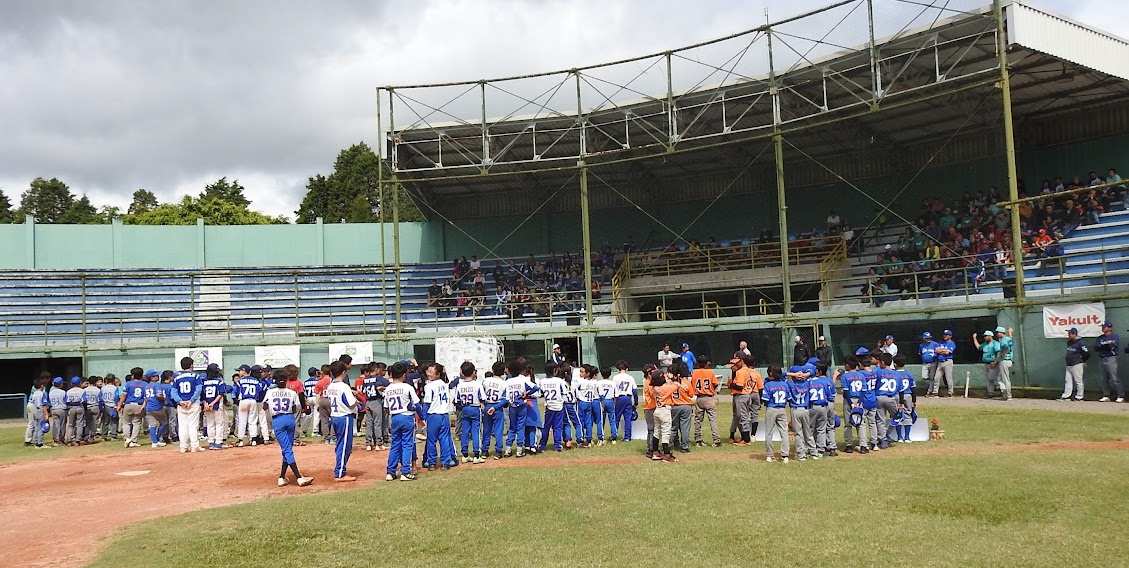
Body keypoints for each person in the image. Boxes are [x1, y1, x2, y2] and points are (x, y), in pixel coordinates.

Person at [263, 369, 313, 487]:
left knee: (287, 450)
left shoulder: (270, 392)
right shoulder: (292, 392)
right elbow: (295, 409)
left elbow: (265, 406)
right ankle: (281, 477)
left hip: (278, 420)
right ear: (286, 380)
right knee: (287, 449)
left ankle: (299, 477)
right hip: (290, 419)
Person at [384, 361, 419, 481]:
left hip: (394, 417)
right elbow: (417, 404)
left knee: (395, 445)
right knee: (407, 445)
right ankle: (405, 471)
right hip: (407, 417)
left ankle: (390, 471)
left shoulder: (388, 389)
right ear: (404, 375)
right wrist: (422, 418)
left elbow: (386, 408)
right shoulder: (407, 387)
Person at [325, 360, 359, 481]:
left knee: (341, 444)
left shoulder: (330, 386)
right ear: (343, 372)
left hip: (335, 416)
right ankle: (340, 473)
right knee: (345, 446)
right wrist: (357, 401)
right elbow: (350, 404)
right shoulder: (344, 386)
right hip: (344, 417)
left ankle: (340, 469)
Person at [421, 362, 457, 471]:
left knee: (431, 440)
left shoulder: (429, 386)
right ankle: (445, 462)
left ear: (438, 374)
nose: (428, 373)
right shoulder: (444, 384)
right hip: (444, 415)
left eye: (431, 372)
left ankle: (431, 462)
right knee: (444, 439)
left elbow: (427, 403)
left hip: (433, 415)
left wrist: (423, 417)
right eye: (428, 371)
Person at [454, 362, 487, 463]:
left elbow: (457, 400)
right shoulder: (477, 384)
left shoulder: (460, 385)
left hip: (464, 408)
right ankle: (477, 455)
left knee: (465, 431)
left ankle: (465, 454)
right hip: (475, 408)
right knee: (476, 431)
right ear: (473, 372)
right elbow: (483, 398)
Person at [171, 357, 205, 454]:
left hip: (182, 404)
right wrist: (191, 400)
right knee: (193, 425)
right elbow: (198, 389)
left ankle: (183, 447)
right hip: (192, 403)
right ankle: (194, 446)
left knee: (182, 426)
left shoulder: (177, 378)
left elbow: (173, 391)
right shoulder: (195, 376)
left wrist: (180, 401)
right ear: (191, 365)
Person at [837, 355, 869, 454]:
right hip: (859, 400)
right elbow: (863, 390)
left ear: (847, 365)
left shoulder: (845, 376)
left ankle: (849, 445)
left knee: (848, 424)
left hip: (849, 400)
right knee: (861, 423)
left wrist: (851, 403)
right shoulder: (861, 375)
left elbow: (846, 391)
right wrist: (859, 402)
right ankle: (863, 445)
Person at [787, 364, 816, 460]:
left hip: (795, 410)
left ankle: (801, 454)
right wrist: (805, 374)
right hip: (805, 409)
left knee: (798, 433)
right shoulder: (807, 383)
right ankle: (813, 453)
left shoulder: (790, 384)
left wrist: (793, 374)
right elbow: (813, 372)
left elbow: (781, 375)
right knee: (808, 432)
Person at [761, 365, 790, 463]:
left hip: (771, 408)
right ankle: (785, 455)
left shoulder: (768, 385)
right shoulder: (785, 384)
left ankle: (770, 455)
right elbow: (788, 398)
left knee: (769, 433)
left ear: (770, 374)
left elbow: (765, 400)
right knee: (784, 432)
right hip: (782, 409)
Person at [536, 363, 567, 453]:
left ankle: (542, 446)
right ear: (554, 370)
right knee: (557, 427)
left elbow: (540, 393)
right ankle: (557, 446)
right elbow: (564, 393)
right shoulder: (559, 381)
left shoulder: (542, 381)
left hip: (549, 406)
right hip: (559, 406)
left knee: (546, 426)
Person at [649, 368, 677, 462]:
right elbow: (676, 386)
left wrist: (667, 380)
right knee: (666, 433)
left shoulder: (654, 388)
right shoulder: (665, 388)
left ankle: (655, 452)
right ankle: (667, 455)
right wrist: (672, 379)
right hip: (665, 410)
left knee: (657, 431)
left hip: (657, 410)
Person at [690, 357, 720, 447]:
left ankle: (698, 440)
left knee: (698, 420)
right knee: (712, 420)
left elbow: (692, 384)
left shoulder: (695, 373)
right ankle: (716, 440)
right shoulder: (710, 372)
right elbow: (715, 384)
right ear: (706, 364)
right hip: (709, 398)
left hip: (699, 398)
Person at [481, 362, 508, 459]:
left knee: (487, 429)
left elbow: (482, 394)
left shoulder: (486, 380)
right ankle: (498, 451)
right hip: (497, 407)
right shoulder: (504, 383)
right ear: (503, 371)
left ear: (492, 370)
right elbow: (505, 399)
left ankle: (484, 450)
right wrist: (496, 407)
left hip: (487, 405)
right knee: (498, 430)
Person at [809, 363, 836, 456]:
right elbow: (832, 395)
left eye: (816, 369)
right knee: (829, 427)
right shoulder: (829, 381)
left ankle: (812, 448)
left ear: (819, 371)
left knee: (813, 428)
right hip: (828, 403)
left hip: (816, 404)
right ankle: (831, 447)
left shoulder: (812, 381)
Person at [117, 368, 148, 448]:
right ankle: (133, 440)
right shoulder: (145, 384)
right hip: (139, 405)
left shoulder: (128, 384)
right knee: (136, 423)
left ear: (133, 375)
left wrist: (119, 405)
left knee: (126, 422)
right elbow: (146, 398)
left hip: (128, 405)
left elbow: (124, 395)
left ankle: (127, 438)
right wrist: (143, 406)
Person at [201, 364, 228, 450]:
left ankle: (211, 441)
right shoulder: (219, 381)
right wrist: (213, 403)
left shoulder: (204, 382)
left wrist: (205, 404)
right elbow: (220, 394)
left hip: (207, 405)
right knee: (219, 424)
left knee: (210, 423)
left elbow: (203, 396)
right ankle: (218, 442)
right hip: (216, 405)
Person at [669, 361, 694, 453]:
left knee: (673, 427)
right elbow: (691, 395)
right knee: (685, 427)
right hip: (686, 406)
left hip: (674, 406)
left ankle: (667, 444)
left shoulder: (670, 383)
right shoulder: (686, 383)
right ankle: (685, 446)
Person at [1097, 321, 1125, 402]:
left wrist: (1103, 346)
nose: (1103, 328)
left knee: (1115, 378)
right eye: (1102, 327)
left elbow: (1112, 346)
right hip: (1102, 358)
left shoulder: (1114, 336)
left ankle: (1120, 396)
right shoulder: (1100, 337)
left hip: (1111, 358)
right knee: (1104, 378)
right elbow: (1096, 348)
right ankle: (1106, 395)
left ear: (1109, 328)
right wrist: (1105, 346)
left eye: (1104, 327)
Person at [572, 365, 598, 449]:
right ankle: (589, 439)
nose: (580, 373)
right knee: (588, 422)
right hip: (589, 402)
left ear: (587, 373)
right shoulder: (592, 382)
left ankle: (580, 439)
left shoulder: (581, 381)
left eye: (582, 372)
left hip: (581, 402)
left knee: (580, 422)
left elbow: (573, 388)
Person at [611, 360, 637, 444]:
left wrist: (613, 400)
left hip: (619, 398)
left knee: (616, 417)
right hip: (628, 398)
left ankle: (614, 435)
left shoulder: (615, 377)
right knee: (628, 419)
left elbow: (613, 390)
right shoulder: (630, 377)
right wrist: (635, 402)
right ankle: (627, 437)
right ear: (627, 369)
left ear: (618, 369)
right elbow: (635, 391)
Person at [235, 369, 262, 447]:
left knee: (242, 421)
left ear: (244, 371)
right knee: (253, 421)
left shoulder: (240, 381)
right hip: (253, 401)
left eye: (240, 370)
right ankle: (253, 440)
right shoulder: (256, 381)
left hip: (243, 401)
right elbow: (259, 390)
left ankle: (240, 440)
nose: (239, 372)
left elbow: (237, 391)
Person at [1061, 327, 1089, 401]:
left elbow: (1086, 353)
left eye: (1070, 334)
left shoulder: (1080, 343)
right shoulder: (1069, 342)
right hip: (1069, 364)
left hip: (1077, 364)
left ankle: (1079, 397)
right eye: (1068, 333)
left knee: (1078, 381)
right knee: (1068, 380)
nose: (1068, 335)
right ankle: (1066, 396)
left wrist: (1084, 360)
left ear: (1074, 334)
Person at [142, 371, 168, 448]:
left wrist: (143, 406)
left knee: (152, 425)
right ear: (152, 378)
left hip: (149, 408)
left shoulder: (147, 386)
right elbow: (158, 395)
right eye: (156, 375)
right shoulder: (157, 385)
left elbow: (145, 399)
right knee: (163, 422)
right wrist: (164, 399)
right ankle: (156, 439)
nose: (158, 377)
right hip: (157, 407)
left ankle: (154, 442)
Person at [893, 355, 916, 443]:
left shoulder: (894, 374)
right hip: (908, 395)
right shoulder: (909, 374)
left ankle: (899, 437)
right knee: (908, 414)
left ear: (894, 364)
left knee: (897, 415)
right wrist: (914, 400)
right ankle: (907, 437)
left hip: (897, 395)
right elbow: (913, 388)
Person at [972, 331, 1001, 398]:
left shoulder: (995, 343)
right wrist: (974, 338)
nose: (984, 337)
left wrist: (995, 362)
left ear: (990, 336)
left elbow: (998, 353)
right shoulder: (984, 344)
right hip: (986, 363)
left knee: (992, 378)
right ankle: (990, 393)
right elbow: (978, 347)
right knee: (989, 379)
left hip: (993, 363)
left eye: (986, 336)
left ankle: (1001, 391)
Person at [594, 366, 616, 444]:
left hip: (601, 401)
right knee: (612, 420)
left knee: (601, 420)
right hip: (610, 400)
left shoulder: (598, 383)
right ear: (610, 374)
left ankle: (601, 437)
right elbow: (615, 395)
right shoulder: (613, 383)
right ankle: (614, 437)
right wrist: (614, 403)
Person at [932, 330, 956, 397]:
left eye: (947, 335)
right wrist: (943, 351)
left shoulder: (952, 343)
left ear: (950, 336)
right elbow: (936, 350)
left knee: (948, 378)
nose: (945, 336)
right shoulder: (940, 343)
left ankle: (950, 392)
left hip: (947, 361)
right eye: (944, 334)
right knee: (936, 378)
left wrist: (941, 351)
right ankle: (935, 392)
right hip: (940, 362)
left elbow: (947, 352)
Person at [995, 326, 1015, 401]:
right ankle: (1005, 395)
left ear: (1001, 333)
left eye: (997, 332)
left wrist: (1003, 353)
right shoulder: (1008, 338)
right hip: (1008, 360)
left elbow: (1005, 346)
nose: (997, 334)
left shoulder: (1003, 339)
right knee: (1001, 378)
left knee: (1005, 379)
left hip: (1004, 360)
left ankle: (1008, 396)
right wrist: (1010, 333)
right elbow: (1011, 339)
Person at [29, 376, 49, 449]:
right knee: (41, 427)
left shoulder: (34, 394)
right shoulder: (42, 393)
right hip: (40, 410)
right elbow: (44, 404)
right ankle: (40, 443)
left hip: (34, 410)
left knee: (36, 427)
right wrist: (46, 414)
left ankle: (36, 442)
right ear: (41, 386)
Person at [99, 374, 120, 442]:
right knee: (114, 421)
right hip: (113, 406)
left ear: (106, 380)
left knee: (105, 422)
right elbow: (116, 397)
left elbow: (101, 398)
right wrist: (117, 405)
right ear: (114, 380)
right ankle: (113, 436)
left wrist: (101, 408)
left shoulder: (103, 388)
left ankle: (104, 436)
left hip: (105, 406)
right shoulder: (115, 388)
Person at [48, 377, 67, 447]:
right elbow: (66, 401)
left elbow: (49, 403)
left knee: (56, 425)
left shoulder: (51, 392)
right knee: (62, 425)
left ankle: (56, 439)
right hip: (62, 409)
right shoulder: (63, 392)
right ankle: (61, 439)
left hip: (54, 409)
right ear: (61, 384)